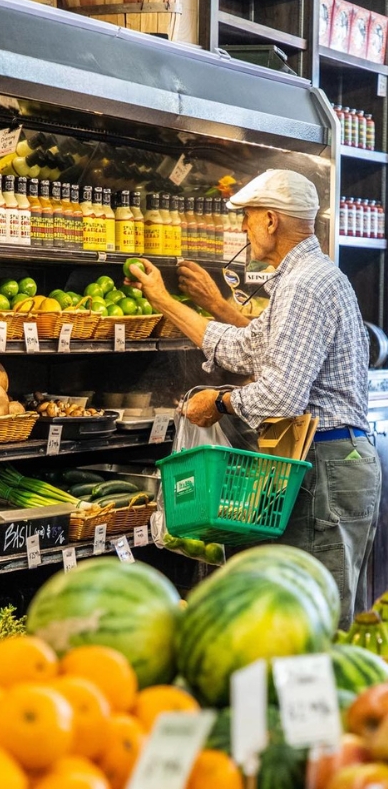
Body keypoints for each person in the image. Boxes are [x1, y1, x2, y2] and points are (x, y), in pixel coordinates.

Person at [127, 168, 382, 629]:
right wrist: (162, 299)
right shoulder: (299, 279)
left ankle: (321, 702)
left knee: (315, 620)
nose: (240, 228)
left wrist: (219, 402)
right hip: (310, 464)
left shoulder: (305, 284)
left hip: (325, 467)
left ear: (270, 220)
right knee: (285, 617)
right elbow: (242, 347)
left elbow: (281, 396)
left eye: (245, 218)